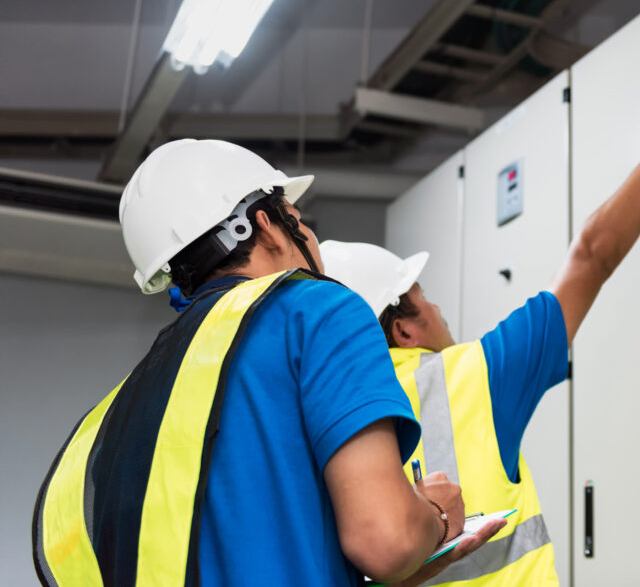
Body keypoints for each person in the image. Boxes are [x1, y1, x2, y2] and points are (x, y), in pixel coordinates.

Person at [32, 138, 504, 587]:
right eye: (298, 218)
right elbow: (387, 539)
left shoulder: (121, 408)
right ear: (265, 224)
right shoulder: (314, 309)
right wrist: (435, 517)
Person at [319, 86, 640, 585]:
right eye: (424, 296)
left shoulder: (321, 416)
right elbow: (593, 255)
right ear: (403, 328)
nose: (440, 307)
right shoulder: (476, 375)